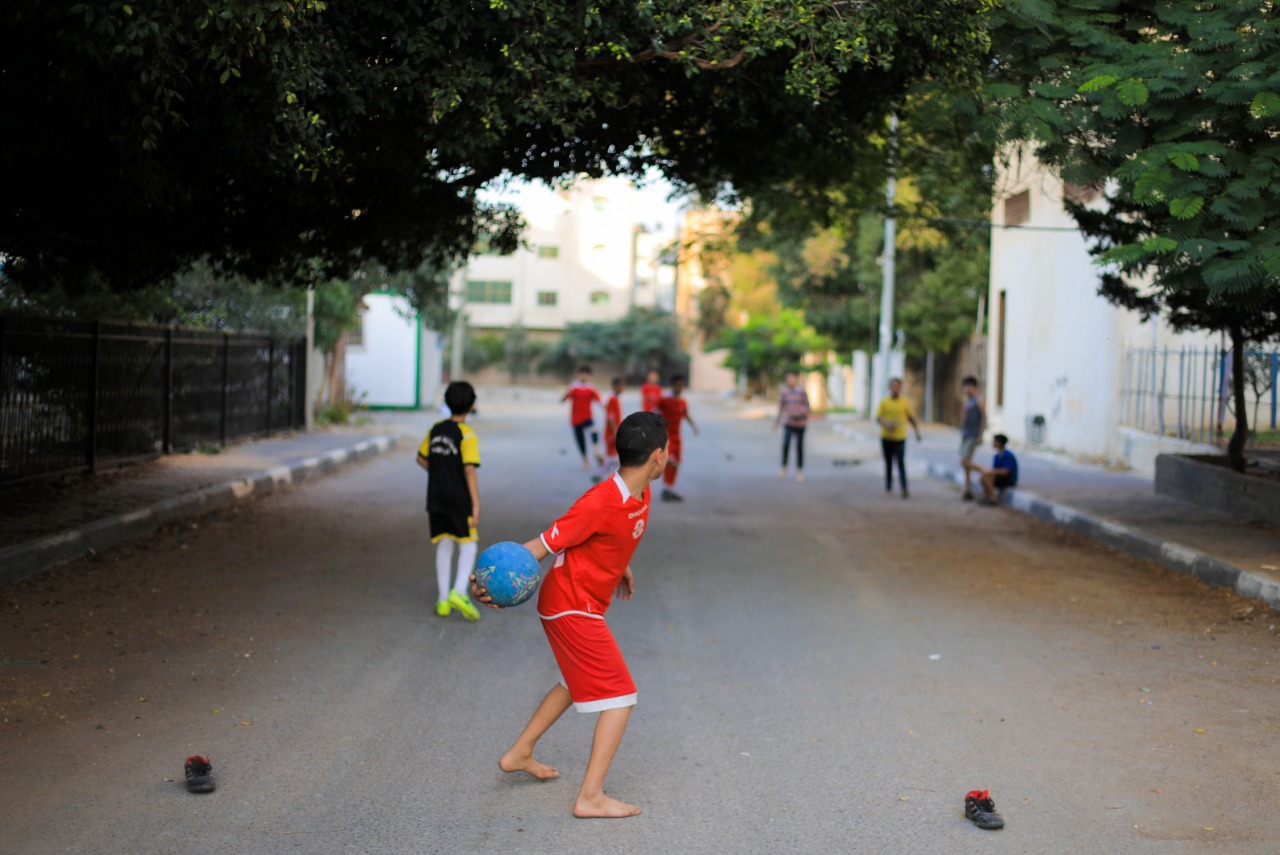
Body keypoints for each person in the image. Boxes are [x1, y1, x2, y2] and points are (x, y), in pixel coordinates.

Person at [474, 411, 670, 818]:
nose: (668, 454)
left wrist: (620, 567)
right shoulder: (598, 502)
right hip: (569, 606)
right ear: (657, 456)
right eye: (667, 448)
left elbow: (611, 538)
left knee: (571, 682)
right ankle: (590, 797)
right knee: (620, 698)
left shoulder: (641, 491)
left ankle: (519, 753)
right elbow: (543, 545)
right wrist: (490, 582)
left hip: (583, 602)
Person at [415, 381, 481, 621]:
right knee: (468, 544)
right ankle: (459, 592)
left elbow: (421, 459)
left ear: (446, 402)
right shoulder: (467, 434)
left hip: (435, 497)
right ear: (471, 406)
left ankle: (443, 599)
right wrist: (475, 504)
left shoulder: (435, 430)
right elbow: (469, 471)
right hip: (458, 499)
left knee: (444, 544)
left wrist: (440, 473)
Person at [875, 377, 922, 499]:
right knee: (888, 463)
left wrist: (917, 432)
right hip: (886, 437)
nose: (895, 388)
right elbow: (878, 417)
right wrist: (886, 424)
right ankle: (889, 487)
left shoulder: (904, 402)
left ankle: (904, 488)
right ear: (889, 388)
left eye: (897, 386)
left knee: (900, 463)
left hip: (900, 437)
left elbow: (911, 417)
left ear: (900, 388)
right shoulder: (884, 402)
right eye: (893, 386)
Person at [656, 374, 699, 502]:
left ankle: (669, 488)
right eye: (676, 385)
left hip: (677, 436)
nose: (679, 388)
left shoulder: (682, 402)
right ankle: (664, 488)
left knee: (676, 463)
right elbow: (654, 412)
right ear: (672, 386)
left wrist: (694, 426)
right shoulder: (664, 400)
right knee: (670, 461)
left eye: (681, 386)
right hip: (666, 436)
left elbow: (686, 415)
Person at [562, 365, 604, 471]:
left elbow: (599, 401)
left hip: (587, 417)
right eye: (582, 373)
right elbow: (564, 399)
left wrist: (607, 410)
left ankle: (596, 451)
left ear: (589, 376)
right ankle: (585, 460)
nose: (584, 376)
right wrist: (566, 393)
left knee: (595, 430)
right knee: (580, 440)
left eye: (586, 374)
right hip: (576, 419)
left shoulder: (591, 388)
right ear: (579, 375)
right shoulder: (573, 387)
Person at [773, 369, 811, 483]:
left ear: (796, 378)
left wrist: (798, 413)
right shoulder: (785, 392)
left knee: (799, 447)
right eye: (789, 378)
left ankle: (799, 471)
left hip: (801, 423)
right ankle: (783, 468)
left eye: (792, 377)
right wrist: (777, 421)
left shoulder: (802, 391)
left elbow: (807, 407)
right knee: (786, 444)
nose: (791, 380)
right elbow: (781, 407)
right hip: (789, 422)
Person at [591, 376, 626, 482]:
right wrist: (616, 432)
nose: (623, 388)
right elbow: (610, 418)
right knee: (613, 458)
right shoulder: (613, 399)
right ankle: (602, 475)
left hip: (612, 433)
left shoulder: (614, 398)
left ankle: (600, 474)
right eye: (621, 385)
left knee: (613, 458)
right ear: (615, 386)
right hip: (611, 434)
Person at [958, 375, 986, 500]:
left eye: (969, 386)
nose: (967, 389)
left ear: (974, 387)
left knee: (964, 461)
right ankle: (968, 489)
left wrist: (980, 434)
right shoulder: (967, 401)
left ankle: (984, 471)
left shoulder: (978, 400)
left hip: (973, 435)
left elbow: (984, 417)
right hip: (965, 434)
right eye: (965, 387)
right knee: (965, 464)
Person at [974, 433, 1019, 505]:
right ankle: (988, 496)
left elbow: (1006, 471)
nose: (992, 443)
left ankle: (993, 497)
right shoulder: (997, 456)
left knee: (986, 475)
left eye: (994, 441)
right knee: (985, 476)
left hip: (1008, 479)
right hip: (1000, 478)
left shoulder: (1007, 455)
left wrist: (990, 472)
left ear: (999, 443)